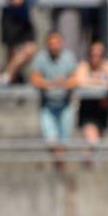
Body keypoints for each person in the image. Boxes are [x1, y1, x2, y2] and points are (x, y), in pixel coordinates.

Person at [29, 32, 78, 171]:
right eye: (51, 44)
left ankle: (60, 167)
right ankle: (60, 166)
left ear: (61, 44)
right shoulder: (41, 58)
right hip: (47, 106)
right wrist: (50, 83)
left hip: (65, 105)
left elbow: (75, 79)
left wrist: (64, 83)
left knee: (63, 142)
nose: (54, 46)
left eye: (57, 43)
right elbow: (35, 78)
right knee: (51, 141)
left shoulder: (69, 57)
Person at [75, 42, 108, 148]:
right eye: (92, 55)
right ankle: (89, 161)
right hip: (87, 109)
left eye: (98, 55)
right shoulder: (84, 66)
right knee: (91, 139)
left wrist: (106, 73)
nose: (95, 58)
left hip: (103, 108)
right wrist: (101, 83)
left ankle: (89, 162)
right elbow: (80, 81)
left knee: (95, 145)